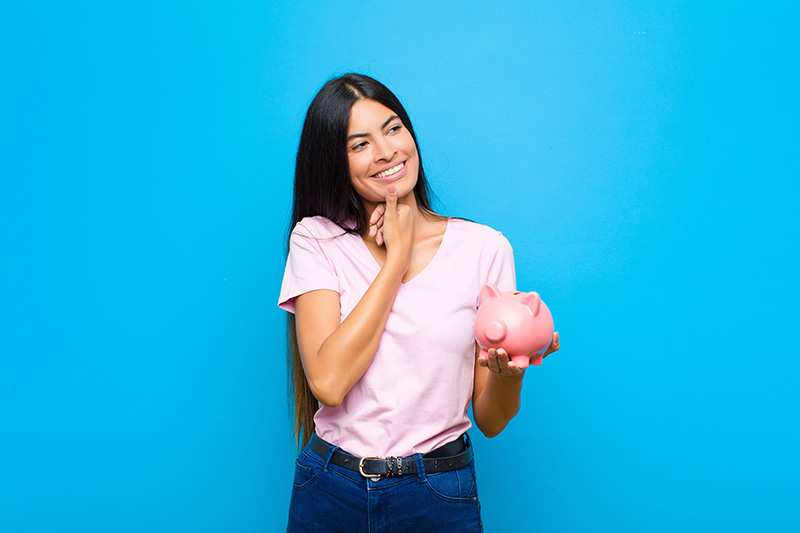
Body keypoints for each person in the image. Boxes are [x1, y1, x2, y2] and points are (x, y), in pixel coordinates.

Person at [278, 73, 559, 532]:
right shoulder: (316, 240)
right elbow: (328, 383)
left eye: (393, 129)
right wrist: (397, 261)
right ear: (334, 160)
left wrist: (511, 373)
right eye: (359, 144)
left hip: (438, 493)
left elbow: (490, 419)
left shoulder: (484, 249)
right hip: (331, 491)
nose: (387, 151)